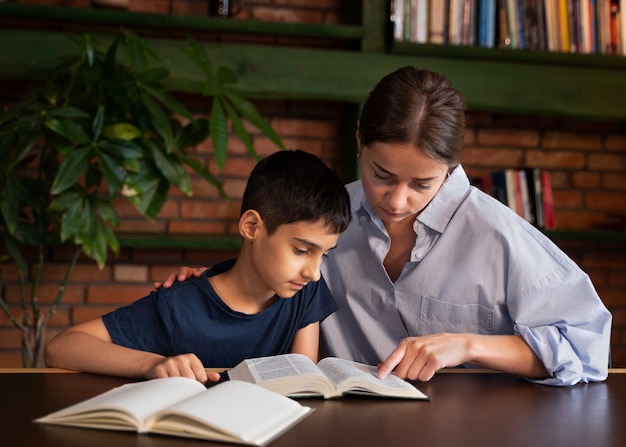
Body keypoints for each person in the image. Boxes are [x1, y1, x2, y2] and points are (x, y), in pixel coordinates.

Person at [156, 67, 612, 386]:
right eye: (382, 175)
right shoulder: (329, 218)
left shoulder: (499, 235)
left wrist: (468, 346)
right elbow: (265, 277)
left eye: (422, 184)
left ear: (452, 166)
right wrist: (204, 286)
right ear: (359, 140)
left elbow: (587, 351)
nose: (397, 201)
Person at [44, 149, 351, 383]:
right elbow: (61, 347)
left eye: (324, 255)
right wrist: (150, 364)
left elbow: (300, 383)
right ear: (252, 227)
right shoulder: (179, 304)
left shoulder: (305, 291)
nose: (313, 272)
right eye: (301, 250)